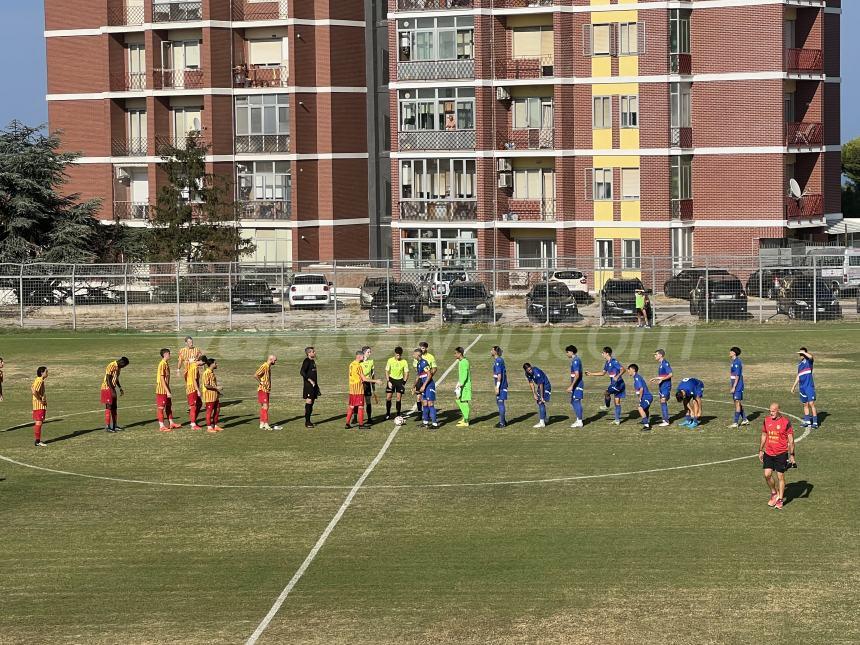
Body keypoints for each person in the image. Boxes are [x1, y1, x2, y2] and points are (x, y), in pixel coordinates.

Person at [759, 402, 796, 510]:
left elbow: (791, 440)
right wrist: (761, 450)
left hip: (781, 453)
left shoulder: (785, 422)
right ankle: (774, 493)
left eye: (773, 411)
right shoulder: (766, 420)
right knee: (767, 475)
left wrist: (792, 455)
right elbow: (764, 434)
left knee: (780, 477)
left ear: (779, 410)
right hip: (769, 452)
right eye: (770, 411)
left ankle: (780, 500)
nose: (771, 413)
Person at [586, 347, 625, 425]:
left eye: (603, 353)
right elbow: (603, 373)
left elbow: (623, 369)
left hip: (618, 384)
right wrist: (591, 374)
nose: (602, 354)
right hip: (617, 384)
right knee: (617, 402)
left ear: (607, 353)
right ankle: (617, 420)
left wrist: (617, 376)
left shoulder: (614, 362)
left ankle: (607, 406)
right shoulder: (607, 363)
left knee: (606, 392)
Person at [346, 350, 377, 429]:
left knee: (351, 406)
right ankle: (361, 424)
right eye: (363, 356)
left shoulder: (351, 364)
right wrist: (376, 381)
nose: (364, 358)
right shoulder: (358, 366)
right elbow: (364, 379)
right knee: (360, 406)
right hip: (358, 389)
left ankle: (347, 424)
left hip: (352, 389)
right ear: (359, 356)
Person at [100, 357, 130, 433]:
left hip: (112, 388)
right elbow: (108, 379)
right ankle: (107, 426)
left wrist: (120, 387)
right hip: (107, 388)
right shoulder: (111, 365)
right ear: (122, 363)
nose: (123, 367)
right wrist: (112, 390)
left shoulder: (118, 367)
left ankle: (115, 425)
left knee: (114, 407)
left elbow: (116, 378)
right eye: (124, 366)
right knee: (109, 406)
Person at [791, 347, 818, 428]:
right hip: (802, 387)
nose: (800, 355)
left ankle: (815, 423)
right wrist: (793, 386)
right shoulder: (799, 364)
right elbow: (799, 376)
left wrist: (804, 352)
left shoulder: (809, 362)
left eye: (802, 353)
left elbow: (811, 357)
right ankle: (807, 421)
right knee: (805, 404)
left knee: (811, 404)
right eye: (800, 354)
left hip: (809, 386)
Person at [156, 348, 181, 432]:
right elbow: (162, 379)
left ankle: (171, 423)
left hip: (166, 388)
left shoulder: (166, 363)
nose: (170, 355)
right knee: (161, 408)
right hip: (162, 390)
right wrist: (167, 391)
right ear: (165, 354)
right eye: (169, 353)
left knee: (169, 407)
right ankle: (161, 426)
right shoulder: (162, 364)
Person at [255, 355, 282, 431]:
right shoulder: (264, 366)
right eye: (275, 360)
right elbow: (256, 375)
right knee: (266, 407)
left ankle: (262, 423)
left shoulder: (268, 367)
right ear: (271, 359)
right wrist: (261, 382)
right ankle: (266, 423)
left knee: (264, 407)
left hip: (266, 390)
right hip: (263, 389)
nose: (275, 362)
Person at [409, 341, 437, 415]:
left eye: (423, 348)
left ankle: (428, 415)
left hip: (427, 379)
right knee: (418, 397)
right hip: (420, 378)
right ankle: (419, 413)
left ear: (426, 348)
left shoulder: (430, 357)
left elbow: (434, 368)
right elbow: (416, 369)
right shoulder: (417, 357)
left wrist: (429, 376)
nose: (422, 349)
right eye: (421, 348)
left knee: (428, 399)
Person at [415, 348, 438, 429]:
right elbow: (419, 376)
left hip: (429, 385)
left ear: (418, 355)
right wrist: (414, 385)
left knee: (430, 404)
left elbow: (429, 374)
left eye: (414, 354)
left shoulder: (424, 363)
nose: (413, 355)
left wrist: (424, 385)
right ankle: (425, 422)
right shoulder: (418, 363)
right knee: (424, 403)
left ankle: (435, 424)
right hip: (424, 385)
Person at [523, 363, 552, 428]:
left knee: (540, 402)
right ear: (526, 371)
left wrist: (541, 397)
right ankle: (545, 419)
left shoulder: (537, 372)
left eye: (530, 369)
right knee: (539, 403)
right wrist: (534, 393)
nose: (530, 371)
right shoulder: (527, 374)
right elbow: (531, 383)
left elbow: (541, 384)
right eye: (528, 370)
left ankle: (542, 422)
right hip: (540, 387)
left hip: (546, 386)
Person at [384, 346, 409, 420]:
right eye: (397, 355)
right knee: (388, 397)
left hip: (400, 381)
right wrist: (388, 381)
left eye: (400, 355)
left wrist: (403, 383)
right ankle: (388, 413)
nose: (399, 356)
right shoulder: (390, 360)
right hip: (391, 380)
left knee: (398, 398)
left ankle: (398, 414)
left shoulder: (404, 361)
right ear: (395, 354)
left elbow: (406, 372)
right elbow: (387, 371)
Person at [650, 349, 673, 427]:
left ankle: (666, 421)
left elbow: (670, 374)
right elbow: (663, 376)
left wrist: (661, 379)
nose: (655, 356)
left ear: (660, 355)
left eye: (656, 354)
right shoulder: (661, 364)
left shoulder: (665, 364)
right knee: (662, 401)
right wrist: (656, 379)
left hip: (666, 386)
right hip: (662, 386)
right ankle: (665, 419)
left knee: (663, 401)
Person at [628, 364, 653, 431]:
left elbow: (641, 389)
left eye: (629, 370)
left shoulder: (637, 378)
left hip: (646, 397)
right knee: (645, 409)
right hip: (646, 396)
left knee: (640, 408)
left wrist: (640, 398)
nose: (628, 371)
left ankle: (647, 426)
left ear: (633, 370)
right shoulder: (636, 377)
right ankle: (645, 421)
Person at [729, 346, 749, 428]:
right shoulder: (733, 361)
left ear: (734, 353)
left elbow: (737, 375)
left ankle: (735, 422)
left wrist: (734, 386)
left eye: (730, 351)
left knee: (737, 402)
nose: (729, 352)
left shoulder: (737, 362)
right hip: (736, 384)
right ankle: (744, 419)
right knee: (737, 402)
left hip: (738, 385)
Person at [300, 346, 320, 428]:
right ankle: (307, 422)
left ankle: (309, 421)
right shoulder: (306, 361)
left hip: (314, 386)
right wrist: (310, 380)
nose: (315, 353)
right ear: (309, 353)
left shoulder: (312, 361)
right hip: (308, 386)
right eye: (313, 352)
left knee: (312, 403)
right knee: (309, 402)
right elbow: (302, 372)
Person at [202, 357, 223, 433]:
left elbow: (212, 384)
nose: (217, 364)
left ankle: (215, 425)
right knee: (209, 411)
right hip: (209, 396)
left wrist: (218, 392)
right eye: (215, 363)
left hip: (215, 395)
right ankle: (209, 427)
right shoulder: (206, 373)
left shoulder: (212, 372)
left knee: (217, 410)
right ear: (211, 364)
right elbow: (206, 385)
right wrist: (217, 387)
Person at [566, 345, 584, 428]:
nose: (566, 354)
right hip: (575, 384)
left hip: (578, 384)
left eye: (567, 352)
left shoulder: (575, 361)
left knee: (576, 401)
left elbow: (577, 375)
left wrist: (572, 386)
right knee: (573, 402)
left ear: (571, 352)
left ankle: (580, 421)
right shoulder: (575, 360)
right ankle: (578, 419)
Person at [454, 346, 471, 427]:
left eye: (455, 353)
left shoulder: (464, 362)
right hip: (462, 384)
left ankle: (466, 420)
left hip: (465, 386)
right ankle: (465, 418)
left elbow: (464, 374)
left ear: (459, 354)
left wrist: (460, 384)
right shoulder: (461, 361)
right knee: (460, 400)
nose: (454, 355)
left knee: (462, 401)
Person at [185, 354, 204, 431]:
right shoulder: (194, 368)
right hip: (192, 388)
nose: (203, 365)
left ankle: (193, 421)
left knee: (199, 404)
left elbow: (187, 362)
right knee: (193, 406)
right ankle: (193, 424)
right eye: (203, 363)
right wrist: (198, 390)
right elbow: (194, 380)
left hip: (192, 387)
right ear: (201, 361)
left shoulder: (192, 364)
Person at [491, 345, 508, 428]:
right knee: (499, 403)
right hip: (501, 385)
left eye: (492, 350)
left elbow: (499, 375)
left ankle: (502, 423)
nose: (491, 351)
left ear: (495, 352)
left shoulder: (498, 361)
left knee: (500, 403)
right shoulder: (499, 360)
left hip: (501, 385)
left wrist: (497, 386)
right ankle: (503, 420)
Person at [32, 366, 48, 447]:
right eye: (46, 371)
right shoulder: (39, 380)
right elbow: (34, 391)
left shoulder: (38, 380)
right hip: (39, 405)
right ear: (42, 373)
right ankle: (37, 441)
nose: (47, 373)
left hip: (37, 405)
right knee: (39, 422)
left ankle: (37, 440)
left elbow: (32, 388)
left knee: (38, 422)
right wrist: (40, 400)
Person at [361, 346, 377, 425]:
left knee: (368, 401)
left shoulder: (371, 362)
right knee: (359, 401)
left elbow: (373, 374)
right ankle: (355, 417)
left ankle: (369, 418)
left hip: (367, 383)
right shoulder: (359, 362)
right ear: (364, 353)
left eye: (370, 352)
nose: (370, 353)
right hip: (359, 383)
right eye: (368, 352)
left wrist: (373, 386)